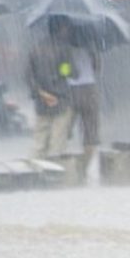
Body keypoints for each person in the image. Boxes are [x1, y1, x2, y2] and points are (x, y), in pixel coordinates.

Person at [26, 16, 76, 158]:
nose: (68, 31)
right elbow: (67, 72)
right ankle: (54, 172)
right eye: (67, 28)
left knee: (39, 143)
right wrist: (66, 68)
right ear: (61, 29)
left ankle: (36, 172)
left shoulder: (35, 49)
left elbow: (28, 76)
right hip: (61, 100)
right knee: (57, 141)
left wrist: (41, 93)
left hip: (41, 102)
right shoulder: (64, 49)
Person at [67, 38, 101, 176]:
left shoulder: (63, 49)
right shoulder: (92, 48)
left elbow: (63, 71)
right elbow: (97, 68)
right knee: (90, 133)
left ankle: (65, 167)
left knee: (63, 130)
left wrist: (68, 70)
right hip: (89, 90)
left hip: (69, 90)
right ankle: (84, 168)